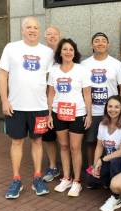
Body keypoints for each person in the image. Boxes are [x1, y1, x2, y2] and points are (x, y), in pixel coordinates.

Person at [0, 16, 53, 199]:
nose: (32, 30)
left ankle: (37, 178)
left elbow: (51, 82)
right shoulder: (11, 48)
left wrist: (49, 107)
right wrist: (5, 101)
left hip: (39, 107)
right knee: (17, 142)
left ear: (39, 30)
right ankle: (16, 180)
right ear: (22, 30)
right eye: (28, 27)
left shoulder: (47, 52)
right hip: (16, 107)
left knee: (37, 142)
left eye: (36, 27)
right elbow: (2, 75)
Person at [47, 38, 92, 197]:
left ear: (75, 52)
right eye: (65, 49)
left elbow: (87, 94)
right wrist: (49, 114)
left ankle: (77, 181)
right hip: (59, 113)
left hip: (78, 113)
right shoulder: (54, 70)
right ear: (60, 52)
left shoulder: (82, 70)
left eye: (71, 49)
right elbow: (51, 93)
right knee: (64, 146)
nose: (68, 52)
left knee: (75, 147)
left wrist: (89, 114)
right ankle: (66, 178)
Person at [81, 32, 121, 177]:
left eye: (103, 41)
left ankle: (107, 172)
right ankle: (92, 169)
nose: (100, 43)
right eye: (96, 41)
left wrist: (120, 109)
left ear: (108, 44)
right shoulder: (84, 64)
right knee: (90, 142)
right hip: (92, 111)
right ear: (92, 45)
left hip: (111, 112)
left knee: (111, 144)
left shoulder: (116, 64)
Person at [86, 95, 121, 211]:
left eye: (117, 107)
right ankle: (108, 182)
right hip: (108, 160)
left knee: (115, 162)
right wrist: (95, 165)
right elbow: (99, 146)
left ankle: (116, 196)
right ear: (106, 108)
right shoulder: (102, 124)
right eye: (110, 106)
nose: (113, 109)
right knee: (91, 180)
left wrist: (103, 159)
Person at [42, 25, 61, 182]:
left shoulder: (65, 52)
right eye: (49, 34)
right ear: (45, 36)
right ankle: (53, 167)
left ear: (59, 36)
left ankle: (69, 170)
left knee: (65, 139)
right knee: (48, 137)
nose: (52, 36)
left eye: (54, 34)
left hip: (63, 105)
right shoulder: (40, 53)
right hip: (43, 103)